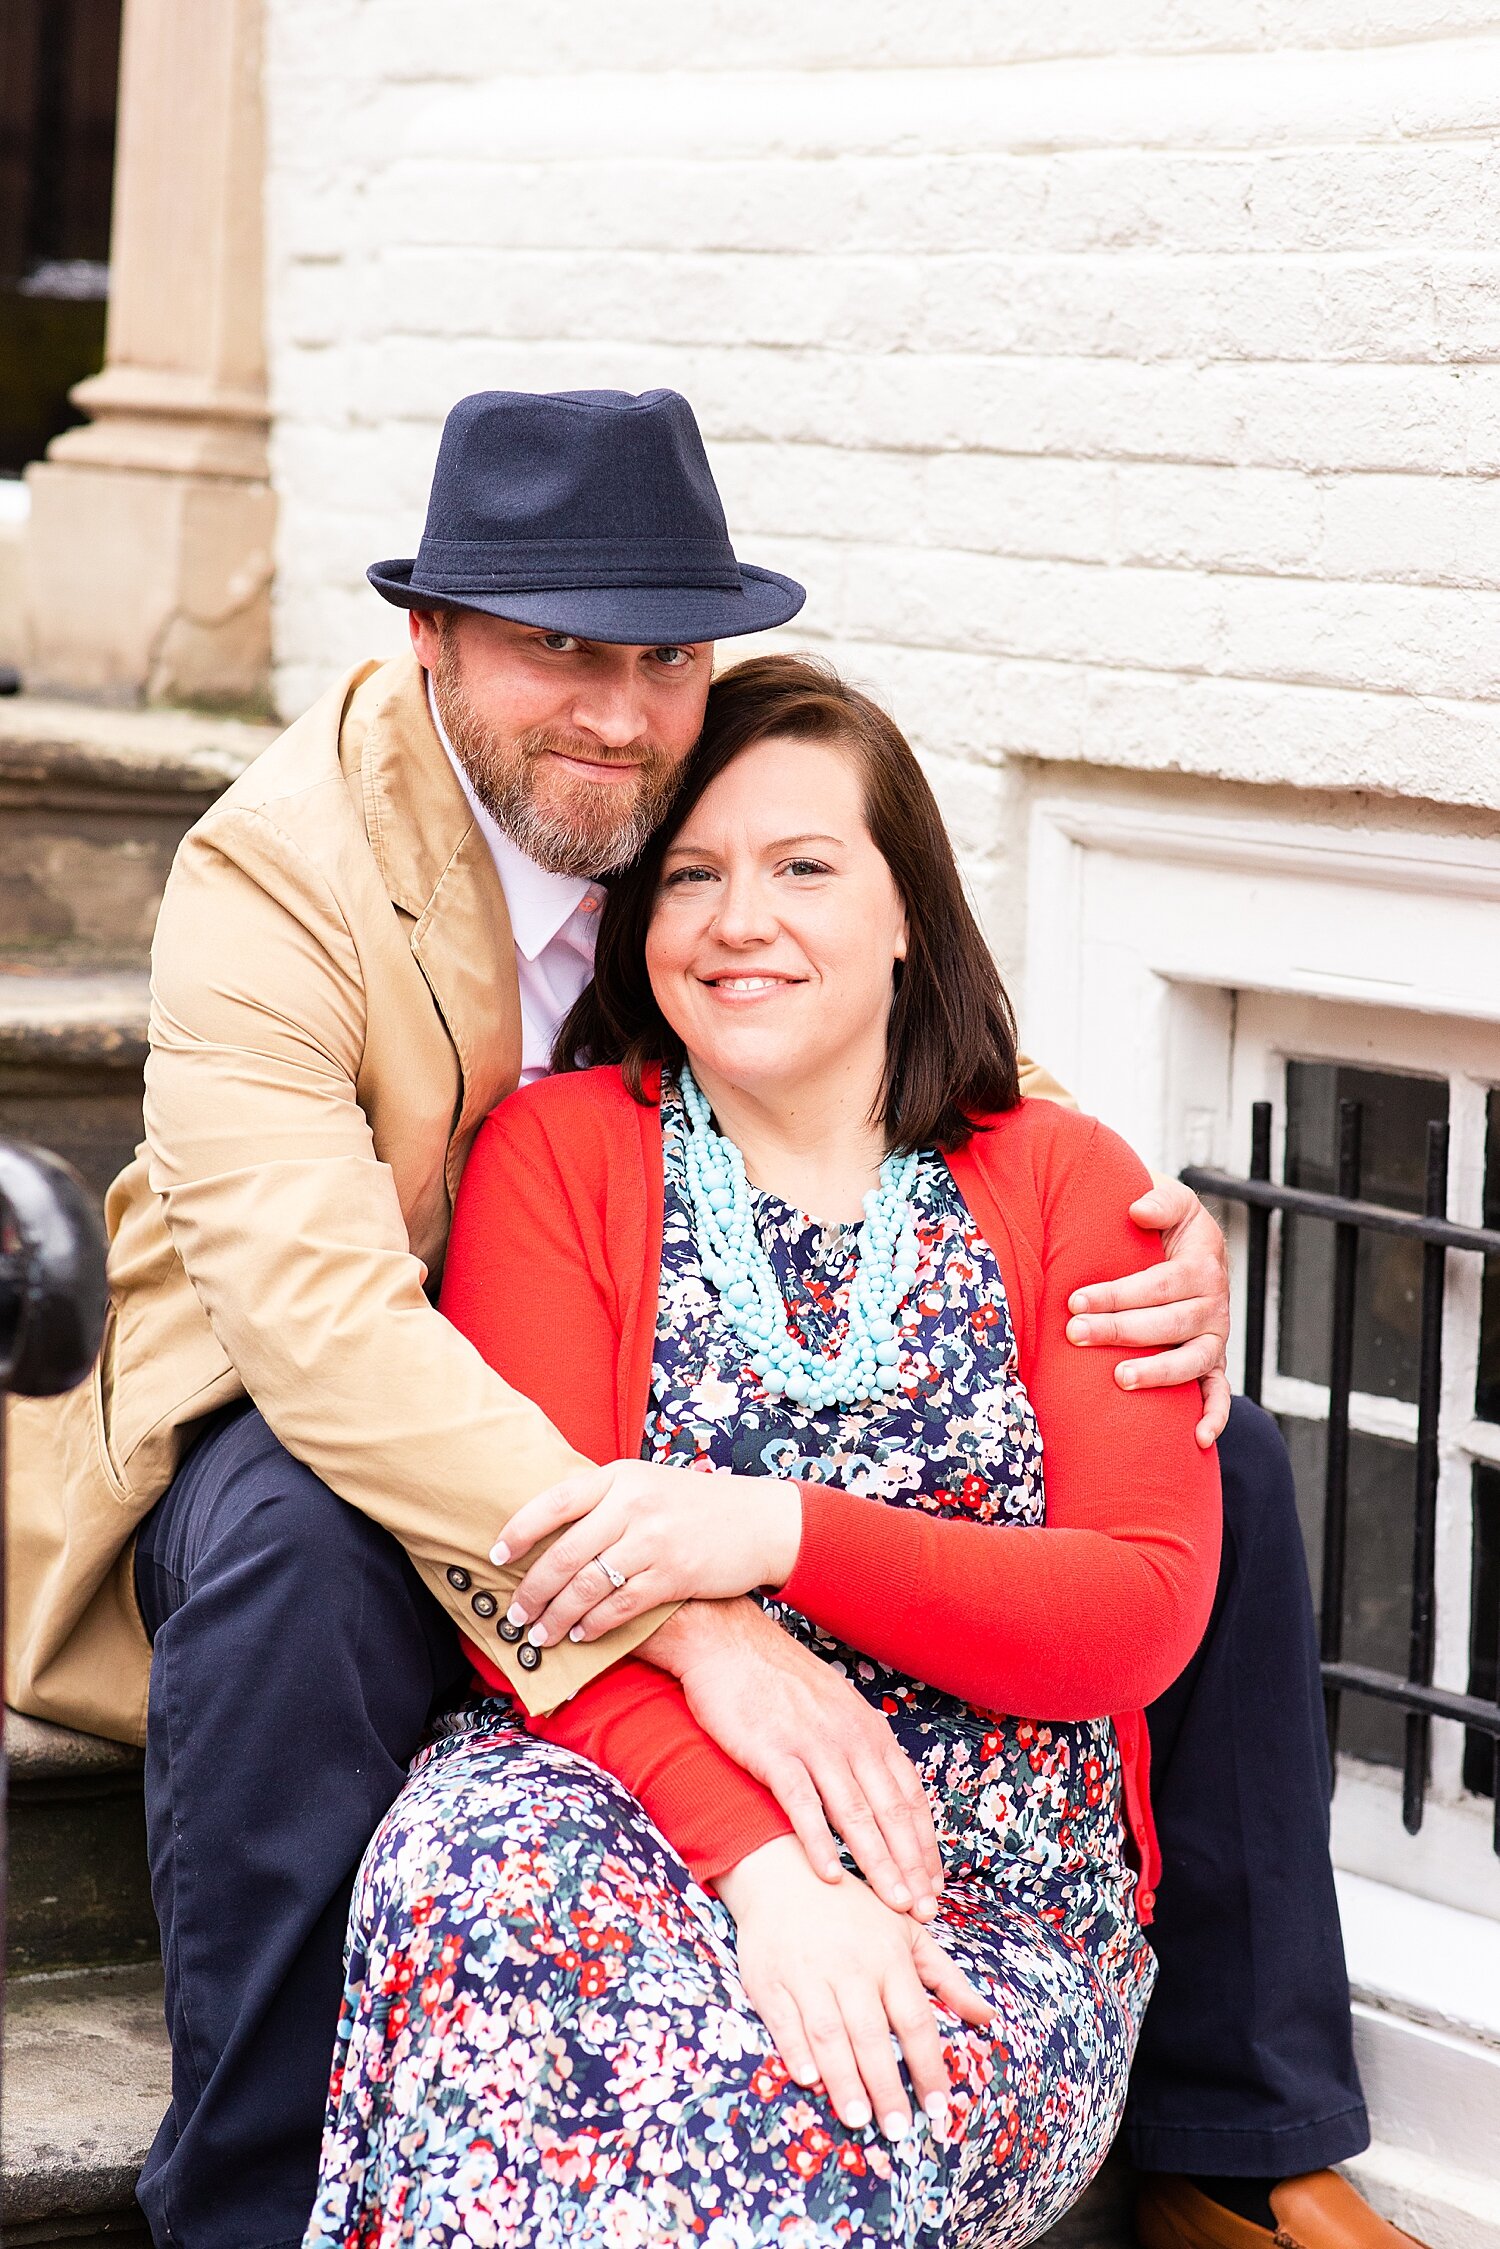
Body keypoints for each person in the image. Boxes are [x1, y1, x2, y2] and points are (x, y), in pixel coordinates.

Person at [1, 388, 1390, 2249]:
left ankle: (1247, 2125)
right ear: (429, 641)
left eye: (662, 652)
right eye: (553, 646)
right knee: (306, 1554)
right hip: (317, 1374)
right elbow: (328, 1328)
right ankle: (248, 2182)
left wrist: (1135, 1233)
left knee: (1214, 1441)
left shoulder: (684, 789)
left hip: (664, 1430)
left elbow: (883, 999)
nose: (615, 703)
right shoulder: (282, 872)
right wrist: (704, 1615)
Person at [304, 653, 1224, 2246]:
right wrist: (767, 1875)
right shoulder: (559, 1156)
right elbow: (545, 1590)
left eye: (805, 867)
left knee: (788, 2117)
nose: (740, 919)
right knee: (483, 1907)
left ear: (907, 914)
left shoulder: (1068, 1181)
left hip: (981, 1888)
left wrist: (778, 1531)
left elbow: (1134, 1610)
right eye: (692, 877)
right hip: (616, 1792)